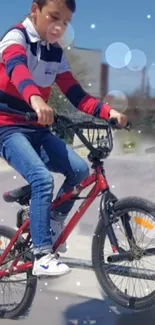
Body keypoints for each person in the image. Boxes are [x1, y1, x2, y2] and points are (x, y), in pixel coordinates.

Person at [0, 0, 128, 277]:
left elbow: (75, 94)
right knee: (42, 179)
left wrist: (109, 112)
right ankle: (42, 255)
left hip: (37, 129)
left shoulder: (55, 54)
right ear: (35, 9)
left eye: (65, 23)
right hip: (8, 128)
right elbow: (17, 69)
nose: (58, 27)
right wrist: (35, 98)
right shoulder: (15, 37)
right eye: (53, 17)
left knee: (80, 170)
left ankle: (53, 224)